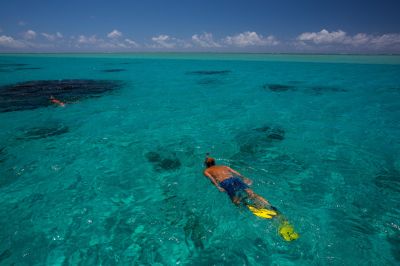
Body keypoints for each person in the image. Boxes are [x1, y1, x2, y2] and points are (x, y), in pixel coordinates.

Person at [203, 156, 270, 206]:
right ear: (214, 162)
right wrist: (244, 177)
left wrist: (218, 187)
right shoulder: (223, 166)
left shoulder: (206, 171)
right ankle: (265, 203)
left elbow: (211, 178)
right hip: (235, 178)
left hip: (225, 182)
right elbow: (235, 172)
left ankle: (243, 206)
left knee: (234, 200)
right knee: (250, 192)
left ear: (206, 165)